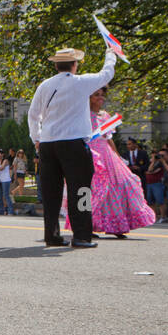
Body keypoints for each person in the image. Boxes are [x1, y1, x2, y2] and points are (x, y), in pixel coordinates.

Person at [27, 47, 117, 248]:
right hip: (74, 144)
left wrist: (36, 139)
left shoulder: (45, 85)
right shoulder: (81, 83)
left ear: (56, 65)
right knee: (82, 191)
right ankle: (82, 235)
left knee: (51, 194)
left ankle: (52, 235)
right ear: (75, 65)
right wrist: (111, 53)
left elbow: (33, 115)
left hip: (48, 144)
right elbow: (107, 73)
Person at [61, 87, 155, 237]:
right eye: (96, 95)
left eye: (102, 95)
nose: (101, 97)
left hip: (106, 156)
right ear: (88, 97)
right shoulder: (82, 115)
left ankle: (117, 225)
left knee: (118, 185)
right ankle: (86, 225)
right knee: (89, 190)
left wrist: (117, 157)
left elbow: (108, 138)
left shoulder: (105, 116)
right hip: (89, 154)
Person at [0, 150, 13, 215]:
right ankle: (1, 211)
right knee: (0, 196)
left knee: (6, 195)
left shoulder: (5, 161)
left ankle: (10, 211)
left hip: (6, 180)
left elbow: (2, 168)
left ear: (2, 154)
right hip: (0, 180)